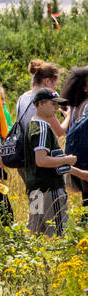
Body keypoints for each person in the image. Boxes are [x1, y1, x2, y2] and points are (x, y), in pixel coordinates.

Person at [23, 87, 88, 237]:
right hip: (50, 190)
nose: (56, 108)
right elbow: (41, 160)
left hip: (36, 190)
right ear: (39, 104)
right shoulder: (43, 128)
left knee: (35, 232)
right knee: (59, 234)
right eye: (52, 104)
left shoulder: (32, 125)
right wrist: (66, 160)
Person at [60, 67, 88, 215]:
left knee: (86, 197)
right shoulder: (87, 106)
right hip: (86, 156)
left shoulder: (74, 107)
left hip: (77, 157)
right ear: (85, 87)